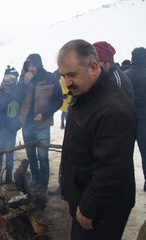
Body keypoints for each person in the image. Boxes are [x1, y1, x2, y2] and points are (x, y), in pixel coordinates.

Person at [58, 39, 137, 240]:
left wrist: (88, 207)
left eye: (72, 75)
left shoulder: (114, 110)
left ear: (93, 67)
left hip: (102, 209)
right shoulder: (85, 94)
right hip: (83, 195)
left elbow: (111, 169)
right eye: (63, 76)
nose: (67, 83)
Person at [17, 54, 62, 192]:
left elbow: (59, 100)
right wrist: (24, 83)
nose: (31, 68)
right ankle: (34, 178)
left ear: (39, 64)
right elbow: (17, 97)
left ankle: (43, 183)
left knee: (43, 156)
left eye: (33, 65)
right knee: (30, 154)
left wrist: (45, 113)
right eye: (28, 65)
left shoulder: (50, 78)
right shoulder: (24, 79)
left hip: (42, 125)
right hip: (26, 124)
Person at [0, 74, 20, 182]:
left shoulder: (16, 98)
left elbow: (19, 116)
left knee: (10, 155)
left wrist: (15, 128)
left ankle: (8, 177)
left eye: (9, 86)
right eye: (5, 85)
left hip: (10, 132)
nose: (7, 88)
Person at [124, 47, 146, 192]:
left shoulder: (125, 75)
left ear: (132, 59)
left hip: (128, 119)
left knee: (124, 153)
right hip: (145, 120)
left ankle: (125, 183)